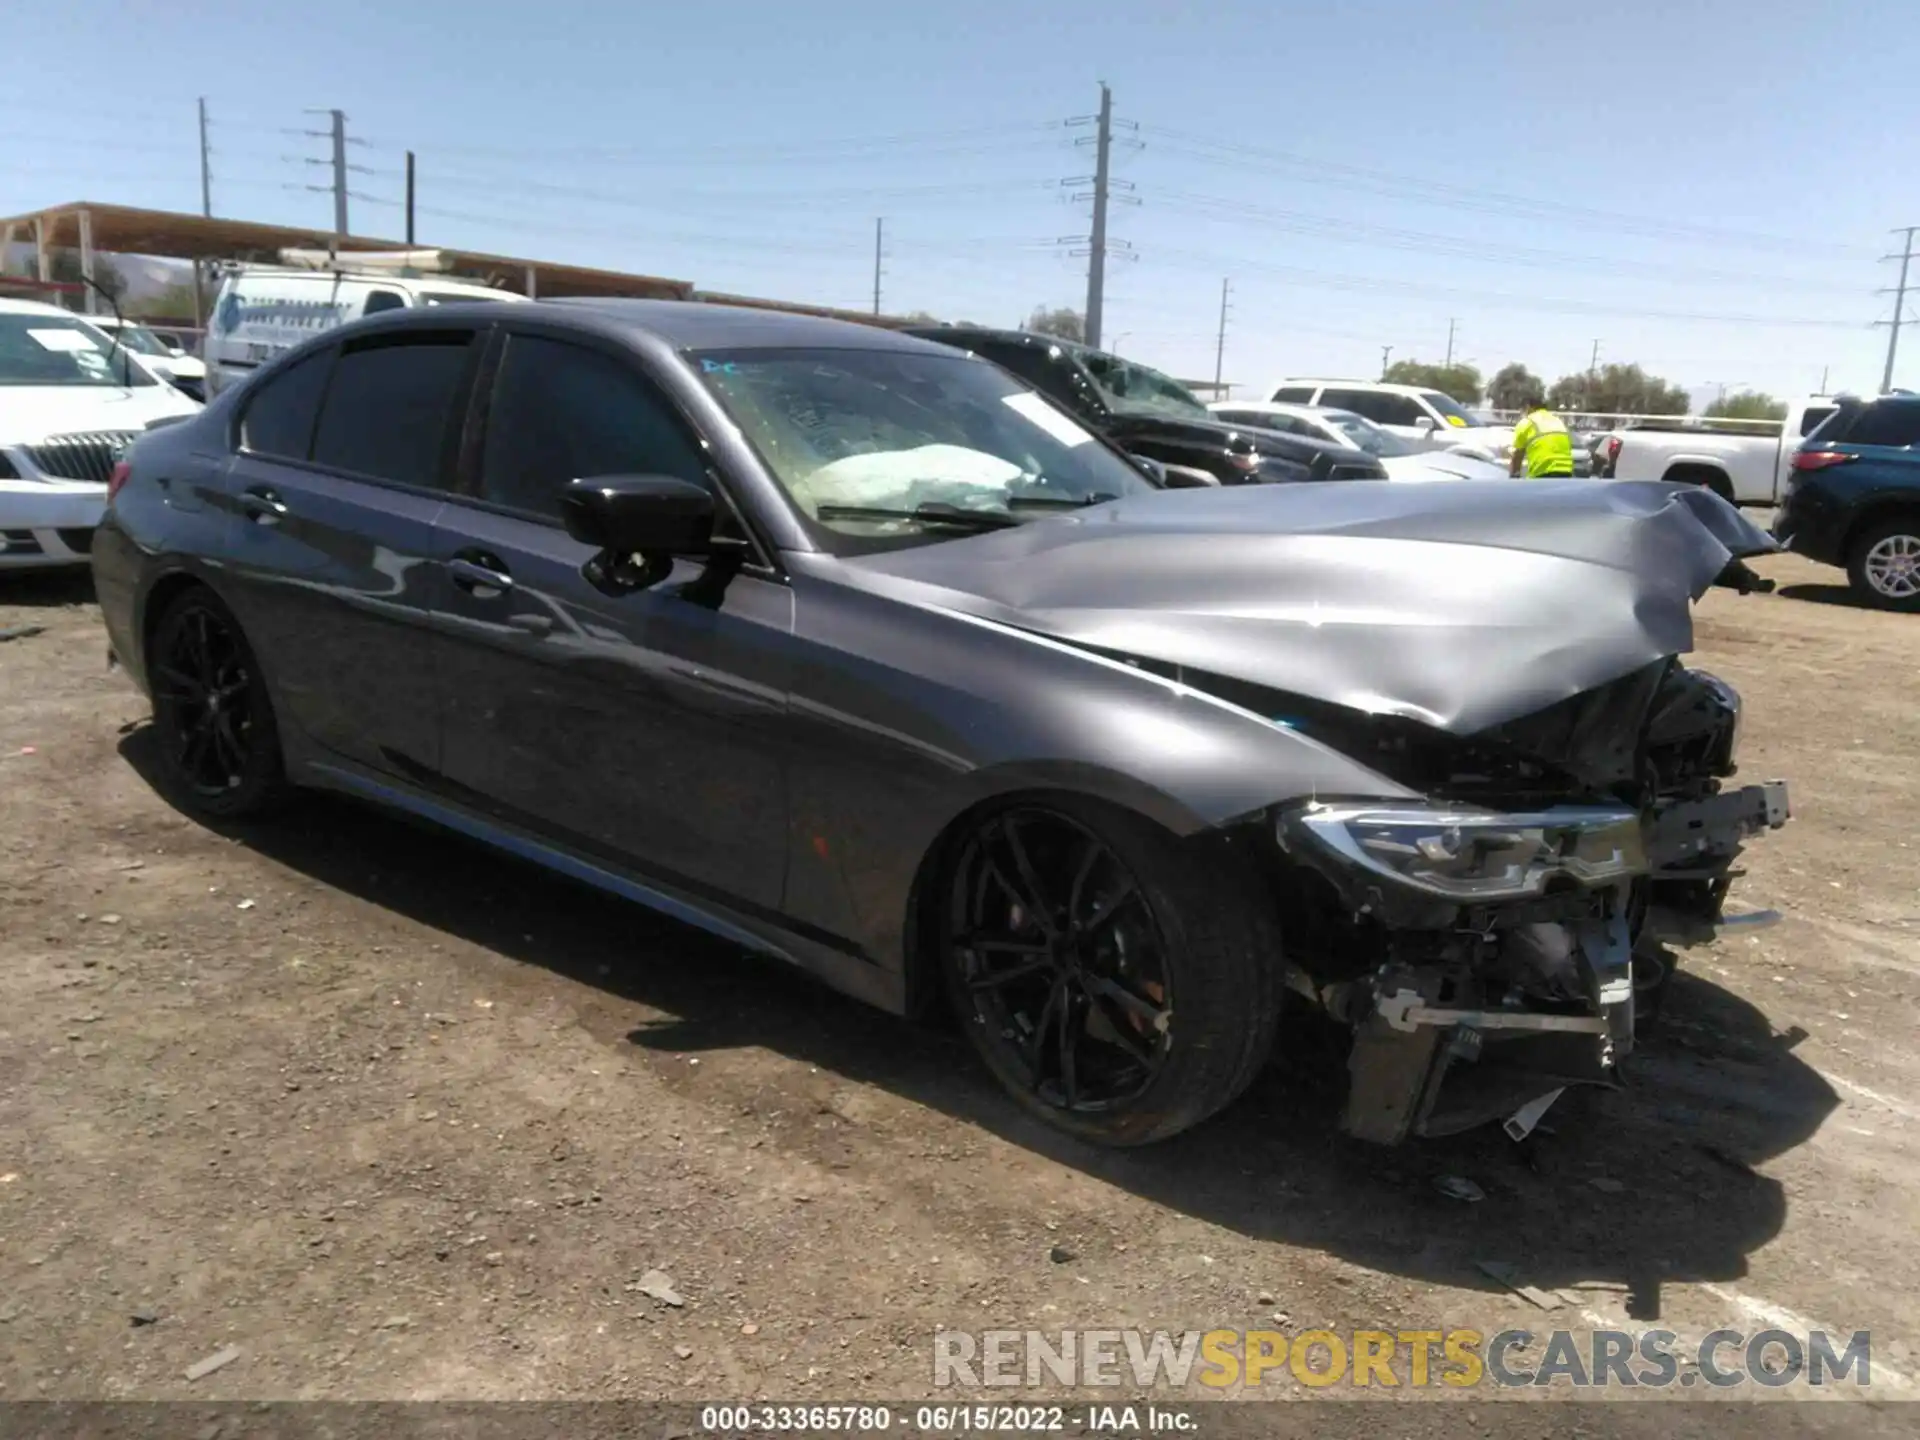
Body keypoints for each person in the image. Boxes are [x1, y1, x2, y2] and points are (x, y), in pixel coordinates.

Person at [1508, 392, 1576, 478]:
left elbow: (1517, 457)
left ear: (1528, 407)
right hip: (1567, 472)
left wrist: (1513, 477)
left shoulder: (1527, 422)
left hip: (1542, 474)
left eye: (1522, 410)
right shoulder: (1557, 420)